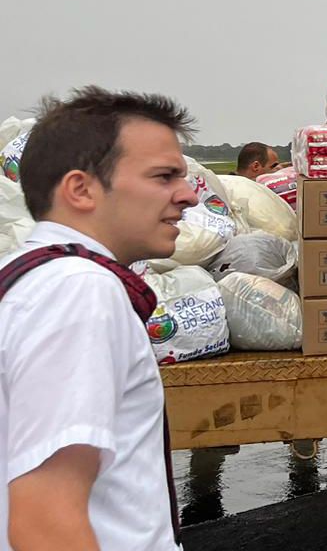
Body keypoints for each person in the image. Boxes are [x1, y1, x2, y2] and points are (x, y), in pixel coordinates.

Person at [0, 87, 199, 550]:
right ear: (81, 189)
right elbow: (46, 521)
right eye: (164, 176)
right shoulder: (80, 290)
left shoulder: (26, 277)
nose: (188, 196)